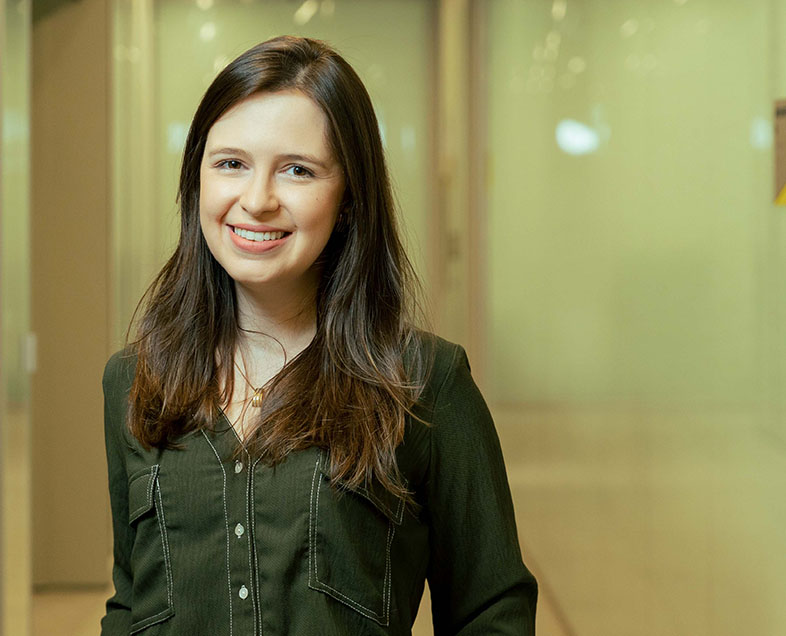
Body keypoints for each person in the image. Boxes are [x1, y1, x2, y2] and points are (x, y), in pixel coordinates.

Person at [101, 35, 537, 635]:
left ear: (349, 197)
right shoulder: (134, 377)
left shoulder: (423, 381)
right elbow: (132, 601)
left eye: (298, 171)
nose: (256, 200)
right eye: (230, 163)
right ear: (196, 180)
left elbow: (493, 612)